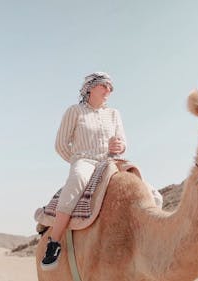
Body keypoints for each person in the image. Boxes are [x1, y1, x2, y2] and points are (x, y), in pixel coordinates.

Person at [41, 72, 126, 270]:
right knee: (77, 180)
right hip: (85, 160)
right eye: (104, 86)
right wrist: (76, 160)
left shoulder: (114, 114)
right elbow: (61, 144)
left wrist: (119, 147)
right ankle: (53, 242)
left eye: (111, 88)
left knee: (142, 185)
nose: (108, 91)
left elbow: (123, 141)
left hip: (111, 161)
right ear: (90, 88)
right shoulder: (75, 111)